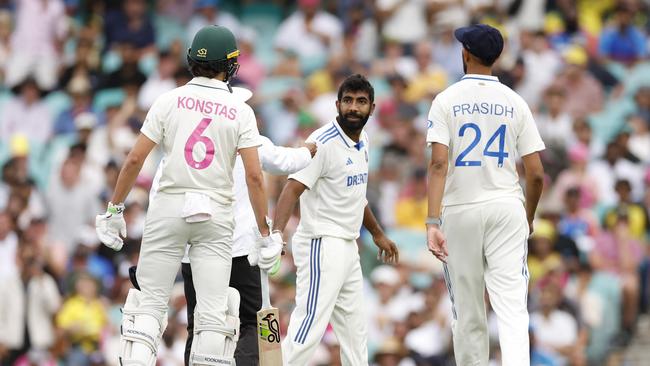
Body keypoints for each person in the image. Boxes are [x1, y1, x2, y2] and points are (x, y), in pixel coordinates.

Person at [94, 25, 282, 365]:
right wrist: (266, 233)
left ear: (192, 61)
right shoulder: (241, 110)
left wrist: (114, 209)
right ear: (230, 65)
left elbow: (135, 158)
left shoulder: (168, 100)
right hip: (215, 216)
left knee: (148, 307)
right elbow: (255, 176)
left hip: (168, 209)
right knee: (212, 319)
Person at [425, 24, 545, 366]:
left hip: (460, 210)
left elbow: (438, 165)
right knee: (511, 305)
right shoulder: (515, 101)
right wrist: (529, 216)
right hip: (507, 206)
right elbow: (536, 173)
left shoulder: (445, 100)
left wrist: (432, 221)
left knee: (467, 308)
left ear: (465, 54)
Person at [271, 74, 400, 365]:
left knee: (356, 335)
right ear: (337, 104)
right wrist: (277, 234)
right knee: (308, 329)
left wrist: (377, 233)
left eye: (361, 102)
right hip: (321, 244)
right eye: (348, 101)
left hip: (348, 245)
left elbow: (355, 194)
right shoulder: (322, 142)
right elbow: (291, 189)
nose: (354, 108)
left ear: (372, 108)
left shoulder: (363, 140)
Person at [180, 134, 317, 365]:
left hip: (195, 249)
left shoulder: (188, 138)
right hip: (240, 248)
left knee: (198, 326)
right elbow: (284, 162)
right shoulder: (246, 133)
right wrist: (306, 151)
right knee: (253, 323)